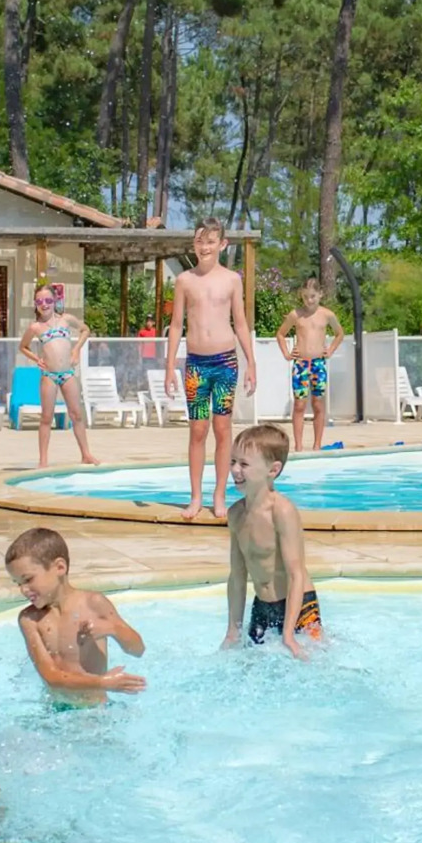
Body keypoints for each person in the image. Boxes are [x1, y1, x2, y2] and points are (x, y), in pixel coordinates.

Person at [165, 218, 258, 520]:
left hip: (225, 363)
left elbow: (240, 323)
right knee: (197, 430)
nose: (204, 247)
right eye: (199, 241)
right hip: (196, 366)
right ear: (193, 244)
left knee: (222, 429)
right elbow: (176, 325)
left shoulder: (231, 279)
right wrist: (169, 367)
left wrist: (251, 363)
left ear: (222, 244)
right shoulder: (185, 281)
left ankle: (219, 495)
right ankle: (195, 497)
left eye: (210, 241)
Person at [5, 527, 145, 704]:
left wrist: (113, 629)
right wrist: (103, 682)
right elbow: (51, 677)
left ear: (60, 567)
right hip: (54, 709)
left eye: (28, 579)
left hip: (94, 711)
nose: (23, 589)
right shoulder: (29, 619)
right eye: (18, 583)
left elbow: (138, 650)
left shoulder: (93, 603)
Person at [222, 424, 321, 660]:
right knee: (250, 667)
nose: (235, 470)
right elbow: (237, 576)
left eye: (244, 464)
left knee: (311, 664)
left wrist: (288, 633)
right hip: (263, 605)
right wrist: (233, 629)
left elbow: (296, 574)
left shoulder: (282, 511)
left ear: (273, 470)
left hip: (298, 605)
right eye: (233, 461)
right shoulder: (236, 514)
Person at [16, 282, 99, 469]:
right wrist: (36, 358)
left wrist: (76, 350)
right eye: (39, 301)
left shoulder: (66, 319)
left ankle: (86, 454)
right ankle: (43, 461)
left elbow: (85, 330)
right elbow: (22, 346)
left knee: (76, 414)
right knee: (46, 417)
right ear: (35, 304)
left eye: (48, 300)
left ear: (55, 301)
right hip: (49, 375)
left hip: (68, 374)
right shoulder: (35, 327)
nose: (44, 304)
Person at [274, 279, 344, 452]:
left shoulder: (327, 315)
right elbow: (280, 334)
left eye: (312, 296)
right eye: (306, 297)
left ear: (320, 294)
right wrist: (287, 354)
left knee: (318, 404)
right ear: (301, 296)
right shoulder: (295, 315)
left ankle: (317, 445)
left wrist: (331, 350)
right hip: (301, 364)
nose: (309, 300)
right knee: (299, 405)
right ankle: (298, 446)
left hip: (318, 364)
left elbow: (339, 333)